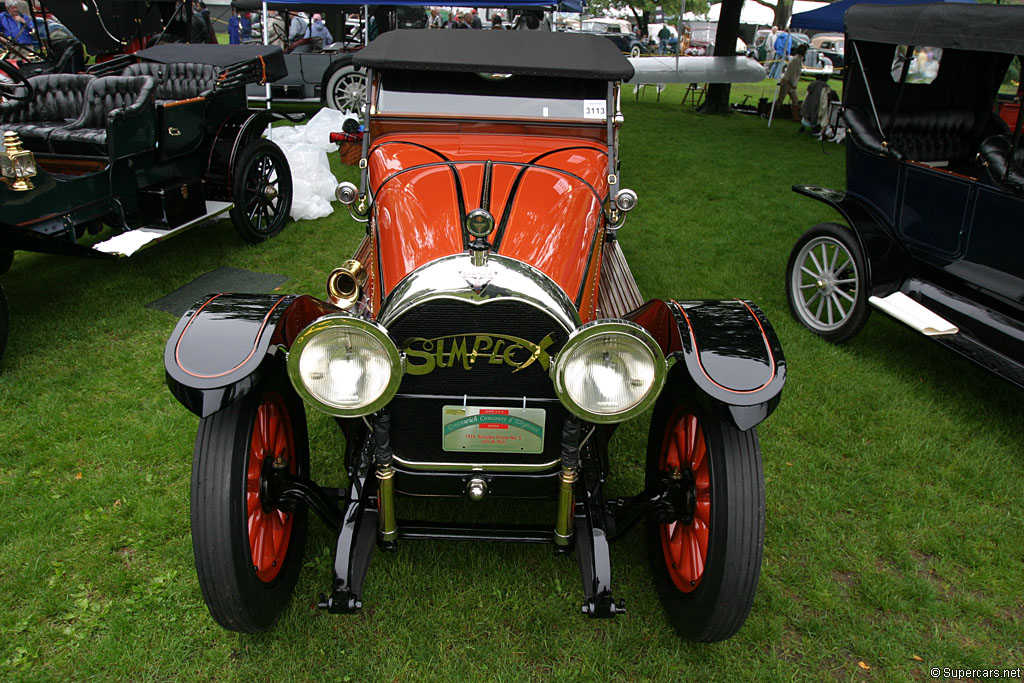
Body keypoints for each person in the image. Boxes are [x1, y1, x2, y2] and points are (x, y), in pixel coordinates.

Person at [775, 43, 807, 123]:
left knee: (795, 100)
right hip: (787, 82)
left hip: (790, 82)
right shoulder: (796, 60)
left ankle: (795, 117)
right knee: (781, 99)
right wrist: (793, 84)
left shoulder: (798, 59)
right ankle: (771, 114)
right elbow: (792, 73)